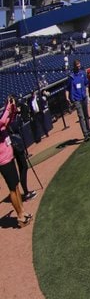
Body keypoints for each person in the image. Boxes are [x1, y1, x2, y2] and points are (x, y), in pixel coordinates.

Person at [0, 95, 31, 228]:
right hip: (3, 161)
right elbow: (1, 122)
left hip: (9, 157)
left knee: (16, 186)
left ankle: (22, 211)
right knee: (12, 189)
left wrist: (12, 109)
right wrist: (7, 107)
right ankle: (19, 216)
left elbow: (8, 121)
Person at [67, 60, 90, 140]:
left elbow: (86, 84)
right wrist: (68, 98)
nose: (78, 67)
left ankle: (88, 130)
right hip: (76, 99)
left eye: (79, 66)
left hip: (83, 96)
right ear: (74, 66)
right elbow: (67, 89)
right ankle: (85, 134)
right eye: (77, 66)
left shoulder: (82, 74)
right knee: (81, 116)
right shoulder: (71, 77)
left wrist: (87, 95)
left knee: (86, 115)